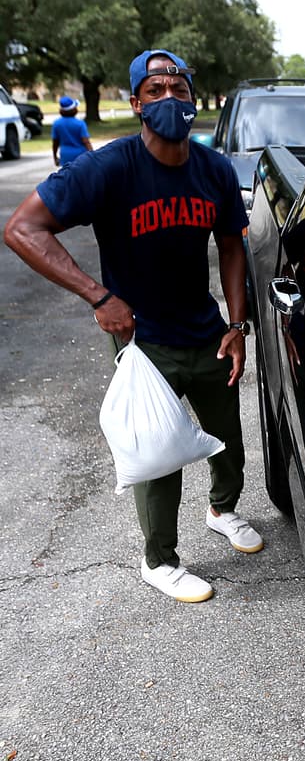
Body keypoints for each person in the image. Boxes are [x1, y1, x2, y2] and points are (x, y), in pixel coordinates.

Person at [3, 49, 261, 604]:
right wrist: (98, 296)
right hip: (143, 340)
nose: (169, 99)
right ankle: (160, 561)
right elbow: (23, 229)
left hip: (207, 330)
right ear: (136, 103)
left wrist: (237, 323)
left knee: (229, 441)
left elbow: (231, 245)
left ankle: (222, 510)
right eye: (155, 90)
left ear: (193, 98)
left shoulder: (213, 169)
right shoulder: (109, 167)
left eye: (179, 88)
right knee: (159, 455)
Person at [50, 96, 93, 167]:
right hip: (80, 156)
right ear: (74, 109)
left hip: (65, 156)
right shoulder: (80, 123)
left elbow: (55, 143)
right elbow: (86, 142)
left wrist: (55, 157)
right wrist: (93, 156)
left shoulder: (57, 123)